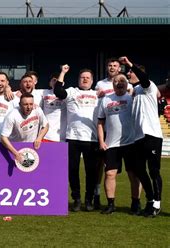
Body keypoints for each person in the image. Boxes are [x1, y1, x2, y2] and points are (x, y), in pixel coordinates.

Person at [122, 56, 163, 217]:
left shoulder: (149, 86)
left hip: (151, 135)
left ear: (139, 73)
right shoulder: (135, 91)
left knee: (154, 170)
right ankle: (150, 200)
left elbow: (144, 79)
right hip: (137, 138)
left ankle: (157, 204)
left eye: (130, 72)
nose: (128, 74)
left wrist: (130, 63)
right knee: (139, 170)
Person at [54, 66, 100, 212]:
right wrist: (63, 72)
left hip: (91, 138)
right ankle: (77, 199)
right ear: (78, 80)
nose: (85, 79)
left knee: (91, 171)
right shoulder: (72, 91)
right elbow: (58, 91)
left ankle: (89, 200)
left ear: (92, 81)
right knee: (72, 170)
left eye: (88, 77)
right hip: (72, 137)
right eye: (82, 77)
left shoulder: (98, 94)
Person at [97, 74, 137, 214]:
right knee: (110, 174)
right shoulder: (106, 100)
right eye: (116, 81)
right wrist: (101, 141)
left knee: (133, 175)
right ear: (112, 84)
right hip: (111, 144)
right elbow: (100, 122)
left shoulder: (132, 98)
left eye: (122, 81)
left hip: (131, 143)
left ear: (127, 84)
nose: (119, 83)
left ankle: (135, 204)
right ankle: (110, 204)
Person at [0, 92, 49, 164]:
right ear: (19, 105)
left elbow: (46, 125)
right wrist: (15, 153)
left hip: (32, 146)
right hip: (15, 147)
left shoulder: (37, 110)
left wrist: (39, 138)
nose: (29, 107)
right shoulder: (12, 116)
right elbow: (3, 137)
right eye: (26, 104)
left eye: (31, 104)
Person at [41, 68, 67, 142]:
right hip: (46, 135)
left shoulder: (68, 94)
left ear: (63, 83)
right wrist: (8, 88)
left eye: (58, 80)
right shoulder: (43, 92)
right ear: (49, 83)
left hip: (62, 135)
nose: (56, 82)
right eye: (54, 80)